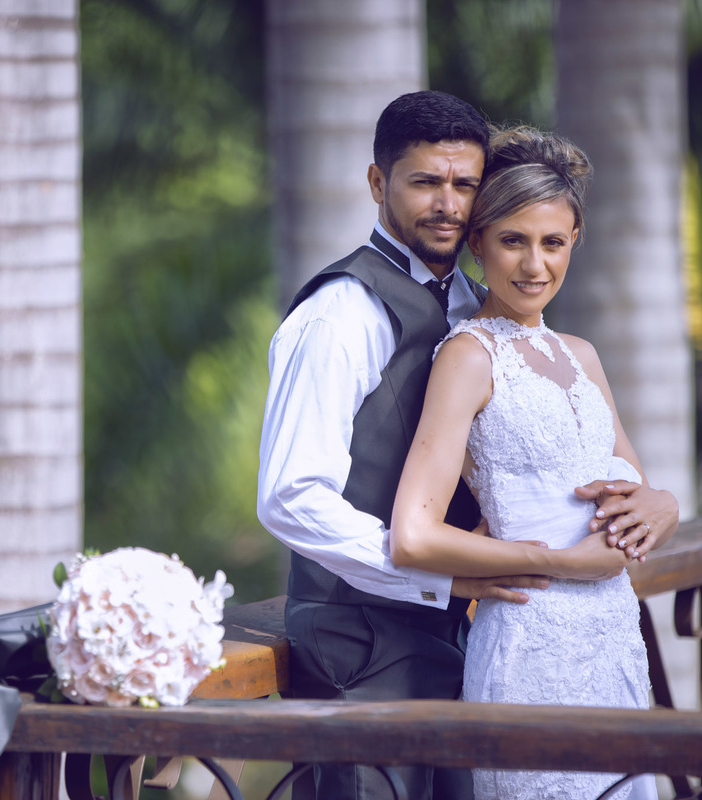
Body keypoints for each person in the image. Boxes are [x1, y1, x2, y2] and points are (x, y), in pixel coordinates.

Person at [256, 91, 679, 800]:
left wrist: (659, 501)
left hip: (467, 627)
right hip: (360, 640)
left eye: (464, 185)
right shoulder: (339, 316)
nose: (447, 204)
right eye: (425, 182)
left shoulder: (473, 306)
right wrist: (438, 576)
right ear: (377, 183)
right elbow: (290, 497)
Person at [390, 125, 674, 799]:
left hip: (613, 639)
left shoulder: (582, 356)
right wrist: (565, 563)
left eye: (552, 242)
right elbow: (413, 536)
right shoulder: (469, 357)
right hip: (529, 645)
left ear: (575, 239)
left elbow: (635, 487)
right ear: (478, 241)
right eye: (513, 240)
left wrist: (666, 504)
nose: (534, 265)